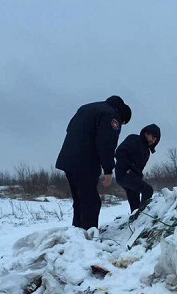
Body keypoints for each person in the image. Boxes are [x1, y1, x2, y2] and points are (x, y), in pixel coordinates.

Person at [55, 95, 132, 230]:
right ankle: (88, 237)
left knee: (80, 200)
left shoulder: (86, 108)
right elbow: (106, 143)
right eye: (123, 123)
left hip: (68, 160)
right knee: (91, 202)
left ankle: (77, 234)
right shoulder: (111, 116)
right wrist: (108, 170)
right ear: (122, 116)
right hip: (85, 163)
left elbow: (70, 130)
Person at [114, 124, 161, 214]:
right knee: (147, 190)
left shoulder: (147, 151)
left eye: (156, 139)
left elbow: (139, 168)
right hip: (123, 174)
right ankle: (143, 216)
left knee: (135, 205)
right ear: (147, 133)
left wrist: (137, 175)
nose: (154, 140)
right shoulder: (134, 139)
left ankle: (136, 219)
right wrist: (128, 168)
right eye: (153, 137)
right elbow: (119, 152)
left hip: (133, 176)